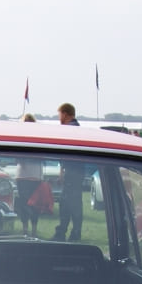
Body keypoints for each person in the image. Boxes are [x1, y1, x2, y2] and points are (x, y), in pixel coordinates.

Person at [51, 102, 84, 241]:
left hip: (72, 171)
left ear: (65, 114)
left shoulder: (70, 129)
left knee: (69, 203)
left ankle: (65, 232)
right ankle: (72, 231)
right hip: (75, 171)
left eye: (60, 114)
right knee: (72, 203)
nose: (59, 118)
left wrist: (62, 172)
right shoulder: (76, 128)